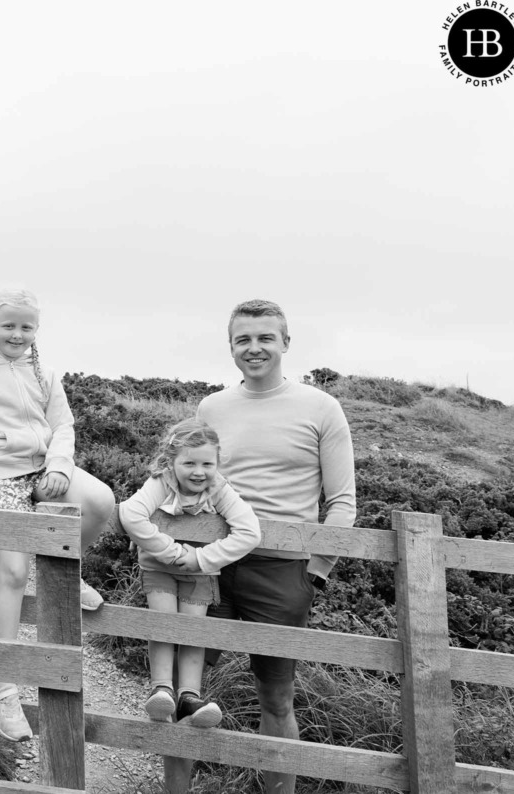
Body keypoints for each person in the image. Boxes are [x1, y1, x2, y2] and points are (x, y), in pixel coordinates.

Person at [164, 299, 357, 794]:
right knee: (185, 689)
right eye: (243, 339)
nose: (254, 348)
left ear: (286, 343)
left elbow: (342, 502)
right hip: (208, 564)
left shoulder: (321, 407)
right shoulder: (212, 407)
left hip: (283, 571)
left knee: (276, 696)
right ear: (231, 347)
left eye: (265, 338)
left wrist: (316, 571)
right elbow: (189, 478)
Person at [0, 288, 115, 742]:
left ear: (36, 329)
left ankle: (70, 573)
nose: (17, 333)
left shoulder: (46, 373)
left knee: (102, 500)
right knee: (12, 572)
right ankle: (4, 691)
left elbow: (64, 425)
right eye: (9, 325)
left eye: (26, 326)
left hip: (42, 470)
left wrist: (58, 466)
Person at [116, 418, 260, 729]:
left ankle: (189, 696)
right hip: (159, 569)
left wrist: (203, 558)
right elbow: (131, 512)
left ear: (217, 463)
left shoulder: (219, 488)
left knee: (194, 631)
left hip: (200, 573)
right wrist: (171, 552)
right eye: (189, 463)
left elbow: (250, 532)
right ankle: (161, 689)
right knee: (164, 625)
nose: (199, 471)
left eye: (208, 463)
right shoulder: (161, 483)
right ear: (171, 461)